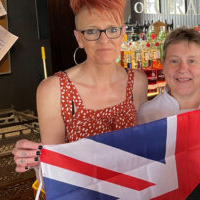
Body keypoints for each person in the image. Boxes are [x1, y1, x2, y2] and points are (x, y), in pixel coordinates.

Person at [12, 0, 148, 172]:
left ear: (122, 33)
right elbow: (56, 171)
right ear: (79, 38)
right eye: (92, 31)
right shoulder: (54, 90)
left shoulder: (138, 81)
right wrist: (38, 160)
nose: (104, 40)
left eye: (112, 30)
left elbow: (145, 146)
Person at [137, 28, 200, 124]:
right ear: (163, 66)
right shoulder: (147, 114)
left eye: (191, 61)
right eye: (174, 61)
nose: (182, 69)